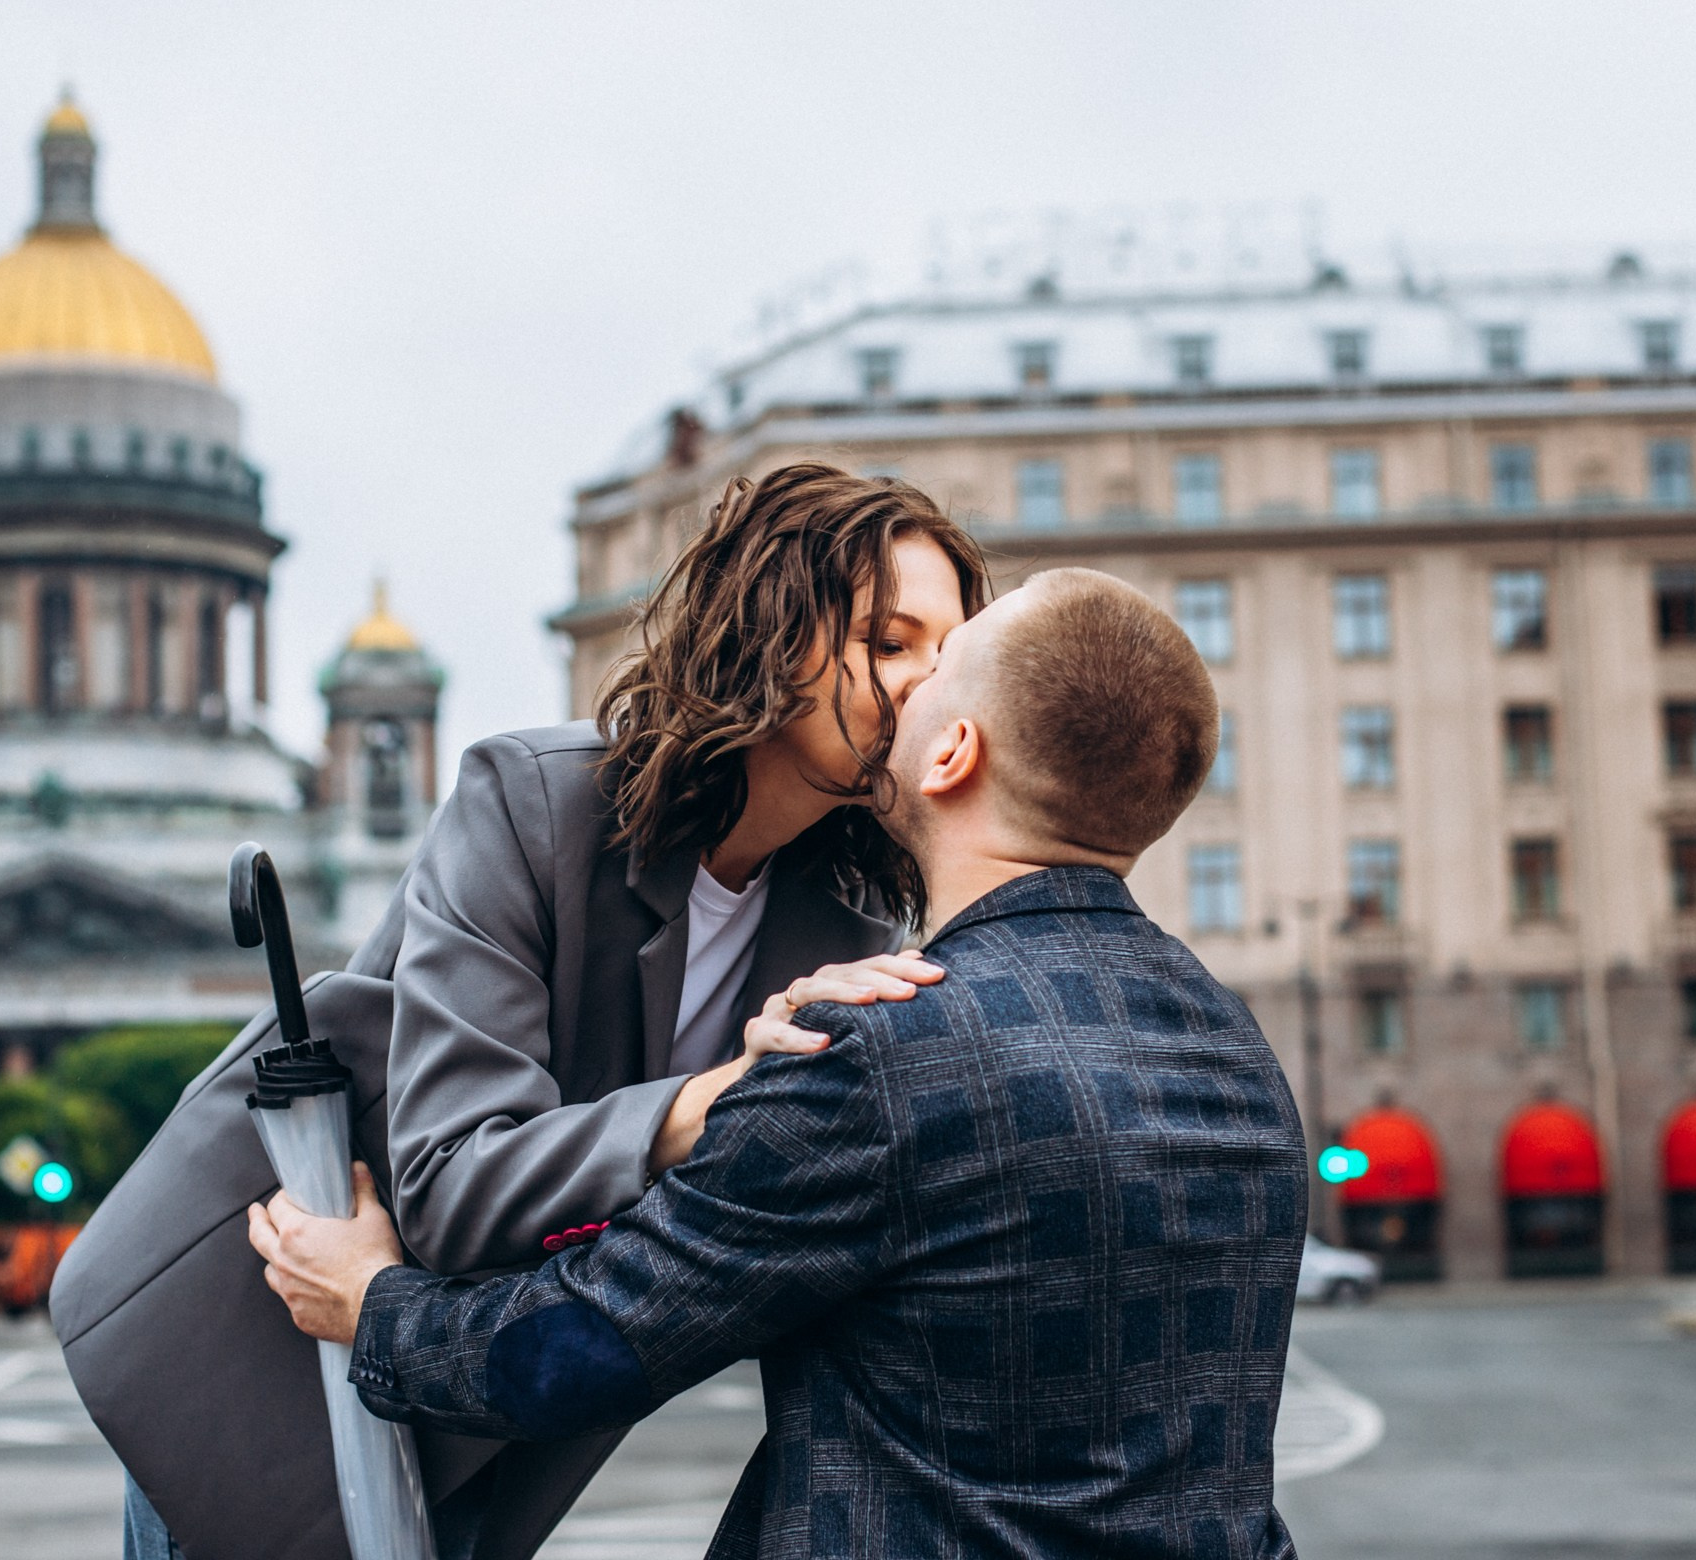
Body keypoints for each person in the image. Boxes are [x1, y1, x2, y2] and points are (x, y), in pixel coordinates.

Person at [251, 567, 1310, 1557]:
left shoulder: (888, 1048)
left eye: (939, 665)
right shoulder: (1235, 1048)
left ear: (953, 755)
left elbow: (585, 1344)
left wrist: (370, 1300)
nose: (907, 680)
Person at [127, 463, 986, 1560]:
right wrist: (713, 1102)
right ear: (773, 625)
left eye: (948, 657)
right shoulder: (530, 806)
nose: (925, 687)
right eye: (889, 639)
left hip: (508, 1425)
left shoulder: (854, 920)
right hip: (273, 1397)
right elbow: (450, 1185)